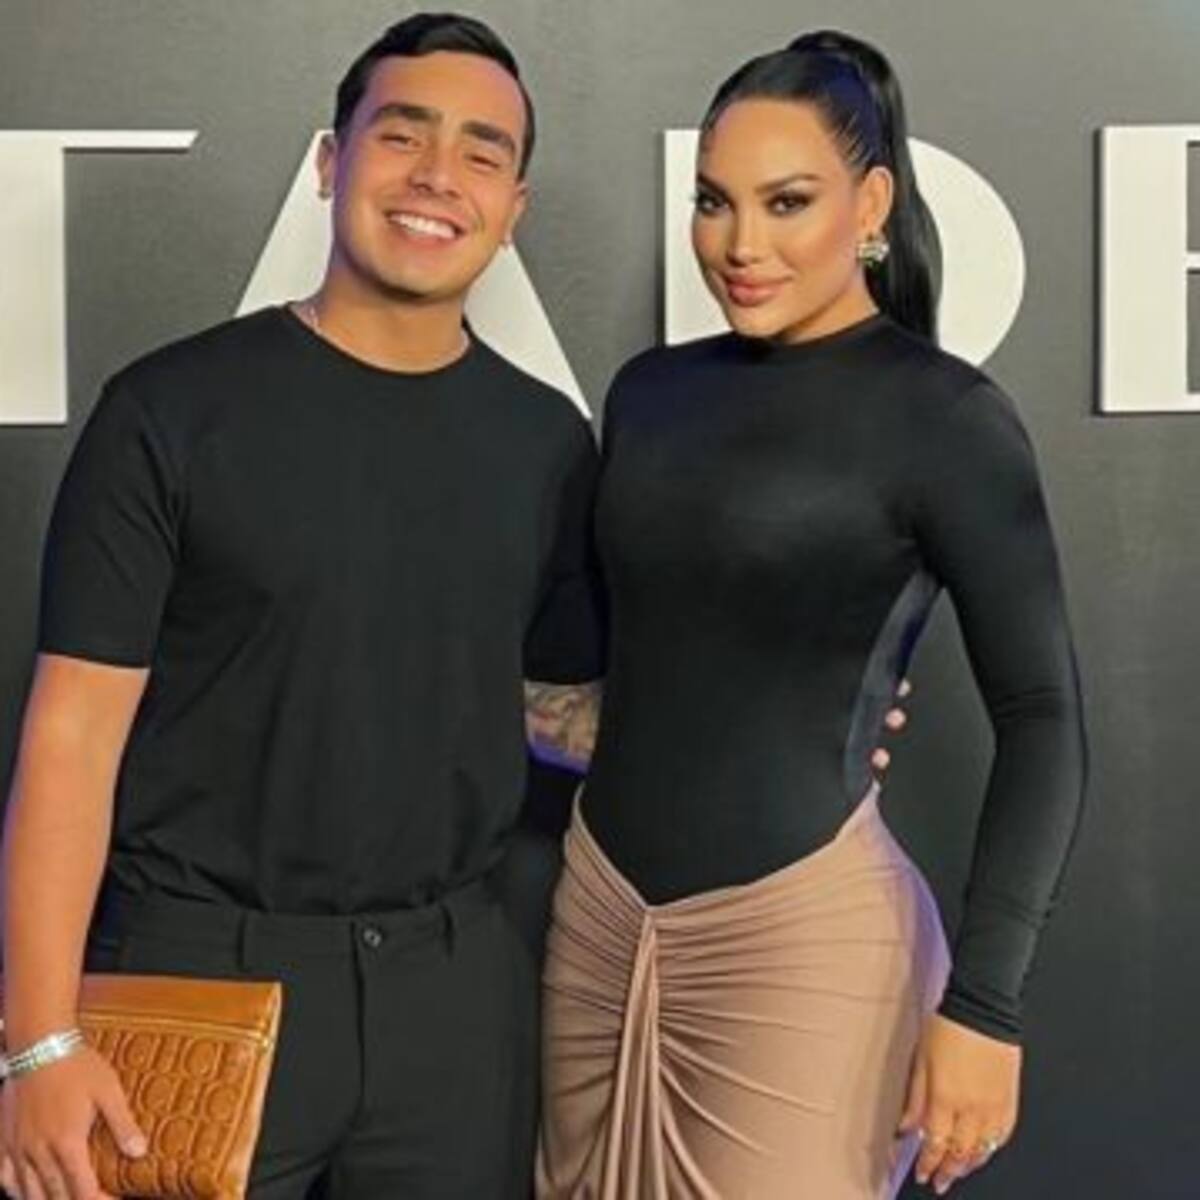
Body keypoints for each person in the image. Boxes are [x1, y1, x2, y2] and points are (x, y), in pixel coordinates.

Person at [0, 14, 607, 1199]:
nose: (439, 176)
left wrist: (805, 727)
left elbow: (548, 709)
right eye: (403, 134)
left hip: (452, 997)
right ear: (332, 162)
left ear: (514, 207)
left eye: (482, 152)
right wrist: (37, 1041)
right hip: (194, 970)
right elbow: (70, 739)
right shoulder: (170, 413)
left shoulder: (546, 443)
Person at [536, 29, 1086, 1200]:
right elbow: (611, 675)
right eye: (714, 202)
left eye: (787, 202)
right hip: (596, 928)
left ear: (870, 204)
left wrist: (986, 1007)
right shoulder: (649, 393)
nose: (742, 244)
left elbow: (1043, 720)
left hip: (798, 956)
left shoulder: (946, 419)